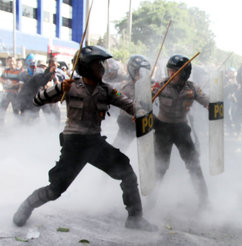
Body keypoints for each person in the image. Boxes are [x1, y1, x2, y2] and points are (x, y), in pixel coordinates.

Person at [12, 46, 157, 231]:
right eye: (98, 65)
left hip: (95, 143)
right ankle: (27, 206)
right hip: (73, 145)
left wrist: (140, 110)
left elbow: (127, 104)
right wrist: (58, 88)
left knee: (127, 173)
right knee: (55, 190)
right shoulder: (69, 86)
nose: (102, 69)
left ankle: (135, 218)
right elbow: (37, 100)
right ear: (86, 67)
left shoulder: (107, 90)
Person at [152, 54, 209, 209]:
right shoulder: (160, 85)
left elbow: (207, 101)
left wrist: (214, 107)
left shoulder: (193, 88)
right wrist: (141, 109)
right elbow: (143, 101)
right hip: (162, 129)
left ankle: (204, 202)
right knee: (160, 167)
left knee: (194, 165)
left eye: (175, 72)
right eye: (169, 71)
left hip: (182, 129)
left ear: (184, 73)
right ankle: (150, 202)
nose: (171, 75)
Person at [113, 55, 152, 149]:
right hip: (128, 120)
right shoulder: (125, 88)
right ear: (133, 71)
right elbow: (122, 101)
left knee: (148, 148)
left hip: (145, 121)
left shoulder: (151, 85)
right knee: (119, 147)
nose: (142, 74)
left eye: (145, 71)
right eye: (139, 71)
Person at [0, 56, 22, 124]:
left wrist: (13, 84)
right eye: (9, 61)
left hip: (14, 93)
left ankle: (16, 125)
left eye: (12, 61)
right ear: (7, 62)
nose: (11, 62)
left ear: (15, 62)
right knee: (2, 109)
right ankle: (1, 124)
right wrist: (5, 82)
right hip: (6, 93)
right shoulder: (6, 70)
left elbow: (21, 82)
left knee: (15, 110)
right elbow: (1, 78)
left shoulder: (19, 71)